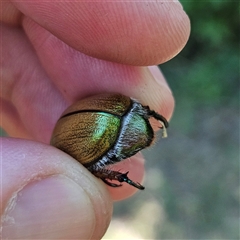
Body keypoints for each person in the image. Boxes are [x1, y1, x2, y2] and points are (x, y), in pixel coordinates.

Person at [1, 1, 190, 239]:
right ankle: (121, 166)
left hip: (112, 117)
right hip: (109, 119)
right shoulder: (121, 107)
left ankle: (120, 167)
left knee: (92, 165)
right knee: (91, 165)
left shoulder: (122, 107)